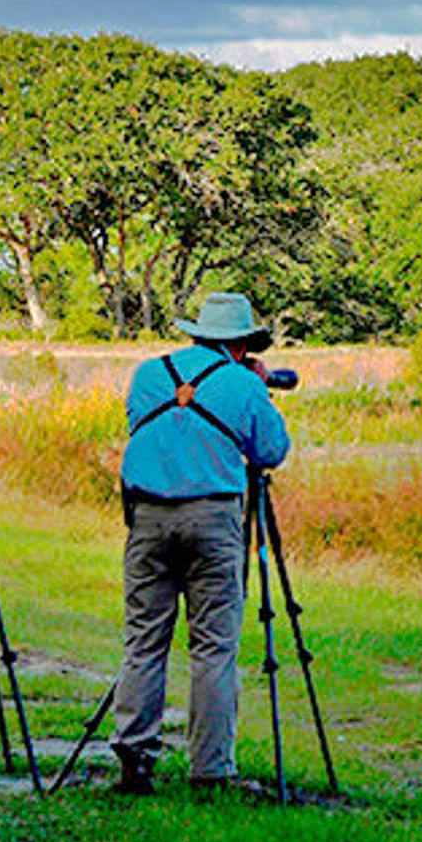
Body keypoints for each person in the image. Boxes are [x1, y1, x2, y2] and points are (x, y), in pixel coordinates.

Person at [112, 291, 291, 794]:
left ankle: (134, 760)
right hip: (214, 520)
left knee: (144, 641)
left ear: (196, 333)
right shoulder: (241, 380)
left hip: (146, 518)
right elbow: (272, 451)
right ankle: (211, 770)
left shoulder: (150, 374)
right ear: (241, 344)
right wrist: (256, 391)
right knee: (213, 646)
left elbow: (139, 431)